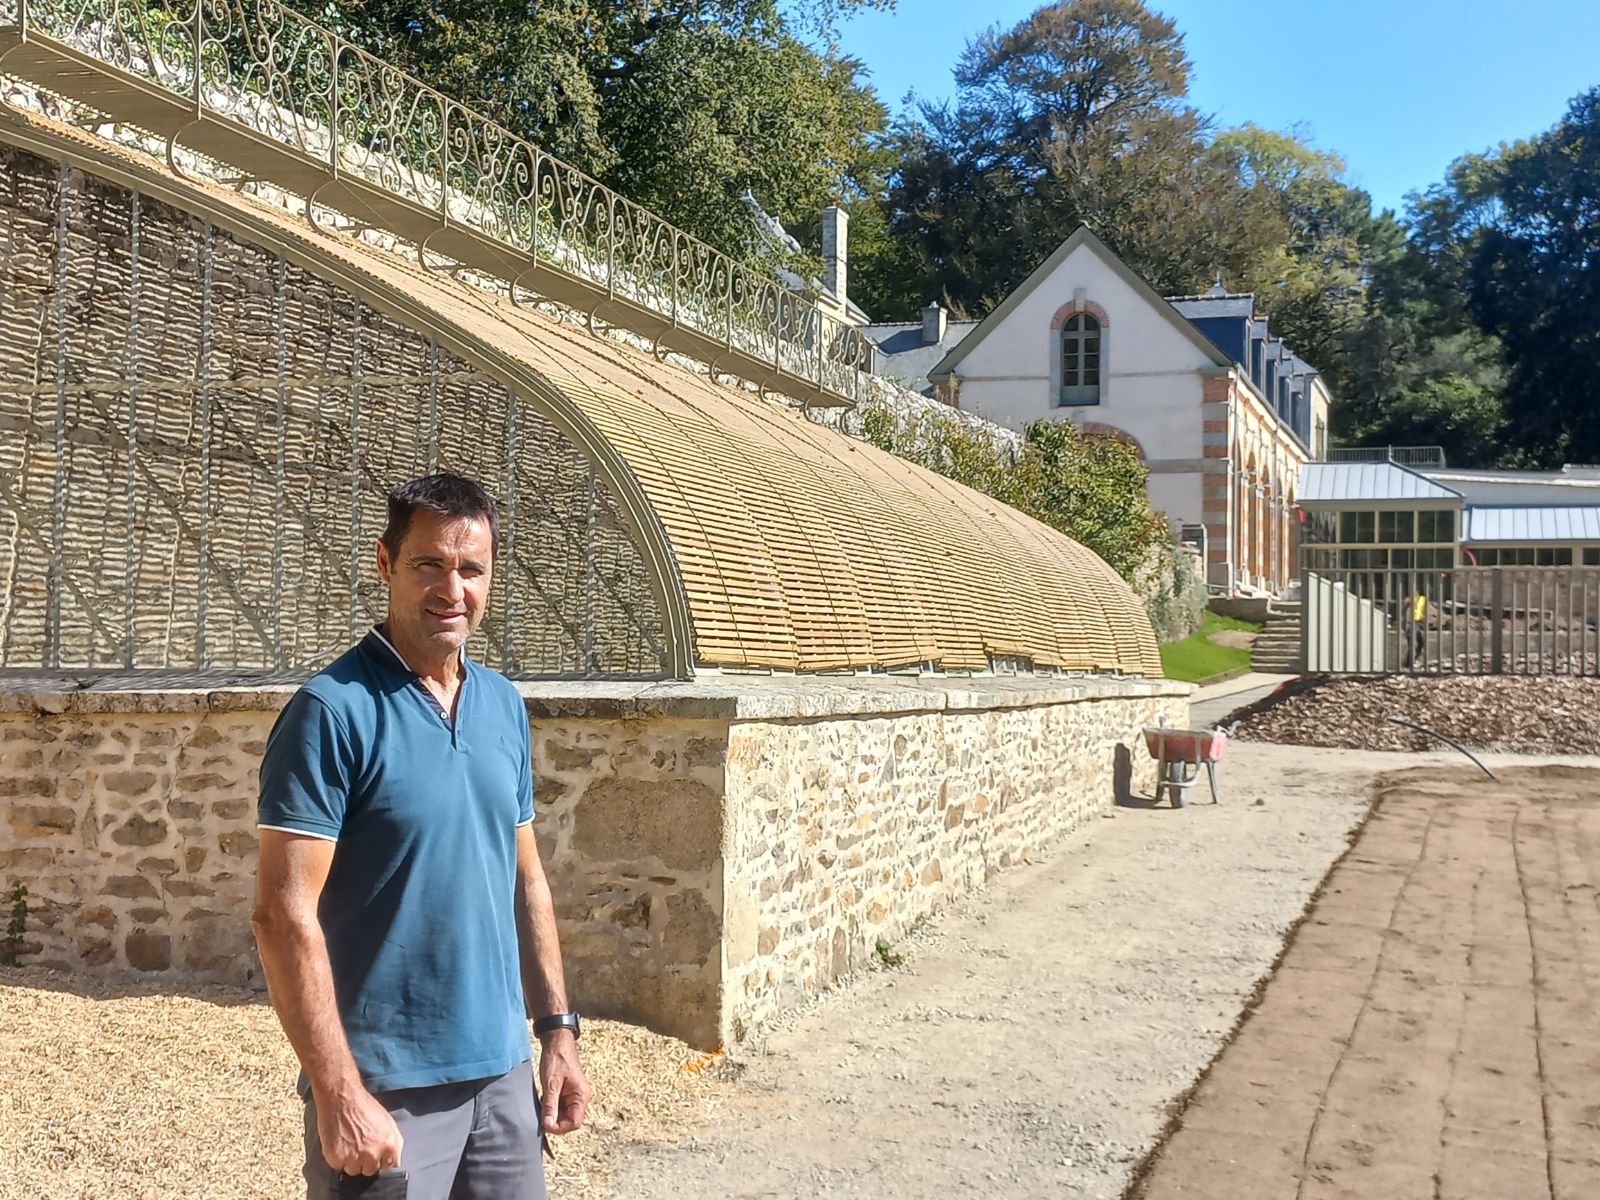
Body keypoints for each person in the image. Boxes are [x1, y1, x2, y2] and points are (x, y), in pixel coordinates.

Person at [253, 473, 590, 1200]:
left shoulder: (502, 704)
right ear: (385, 564)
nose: (451, 588)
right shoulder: (331, 712)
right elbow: (282, 915)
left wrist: (557, 1031)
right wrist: (339, 1093)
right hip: (387, 1089)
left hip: (502, 1081)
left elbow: (525, 879)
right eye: (429, 564)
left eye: (471, 569)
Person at [1409, 585, 1429, 667]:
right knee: (1415, 643)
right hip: (1413, 622)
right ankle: (1412, 662)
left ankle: (1412, 661)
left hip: (1417, 622)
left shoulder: (1420, 598)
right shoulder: (1418, 598)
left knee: (1417, 643)